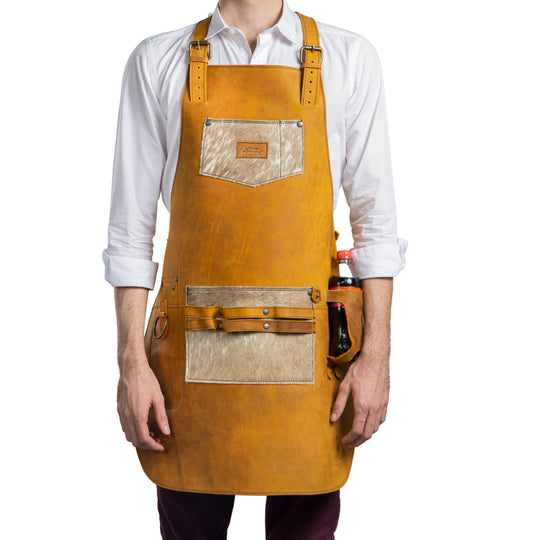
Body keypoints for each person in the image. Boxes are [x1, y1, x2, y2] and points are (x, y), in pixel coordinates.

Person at [102, 0, 407, 538]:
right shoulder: (157, 61)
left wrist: (377, 358)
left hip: (312, 369)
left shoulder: (349, 58)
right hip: (187, 373)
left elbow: (376, 229)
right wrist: (131, 364)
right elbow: (129, 233)